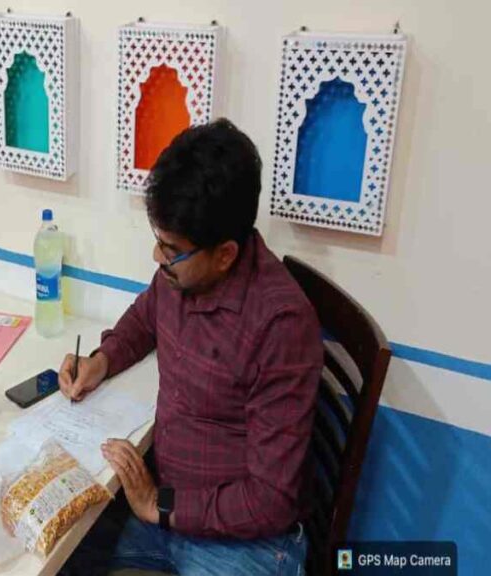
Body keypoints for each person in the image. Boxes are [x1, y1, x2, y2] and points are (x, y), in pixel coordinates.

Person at [59, 120, 322, 575]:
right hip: (163, 513)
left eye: (169, 249)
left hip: (245, 544)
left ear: (225, 254)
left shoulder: (280, 326)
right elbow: (144, 319)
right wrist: (101, 361)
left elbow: (271, 500)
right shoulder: (179, 276)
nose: (156, 258)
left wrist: (159, 504)